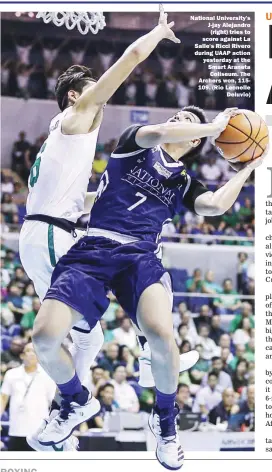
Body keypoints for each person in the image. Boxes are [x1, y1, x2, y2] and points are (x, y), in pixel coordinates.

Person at [34, 101, 266, 470]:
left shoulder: (184, 181)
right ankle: (75, 400)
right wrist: (213, 126)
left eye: (188, 122)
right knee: (44, 339)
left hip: (141, 256)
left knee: (161, 334)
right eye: (179, 118)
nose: (178, 121)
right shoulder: (134, 143)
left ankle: (165, 422)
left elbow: (213, 206)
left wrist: (248, 168)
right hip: (94, 247)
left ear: (193, 144)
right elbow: (158, 132)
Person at [19, 7, 183, 453]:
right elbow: (129, 59)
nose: (102, 97)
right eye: (94, 91)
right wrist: (156, 34)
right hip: (54, 235)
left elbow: (84, 200)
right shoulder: (76, 118)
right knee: (86, 331)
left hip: (41, 234)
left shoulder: (63, 136)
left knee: (67, 331)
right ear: (75, 95)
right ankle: (87, 394)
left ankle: (71, 406)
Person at [0, 343, 57, 451]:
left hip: (40, 432)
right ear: (22, 355)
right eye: (28, 351)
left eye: (35, 351)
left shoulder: (47, 375)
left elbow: (54, 402)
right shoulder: (11, 374)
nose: (31, 354)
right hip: (17, 429)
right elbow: (3, 399)